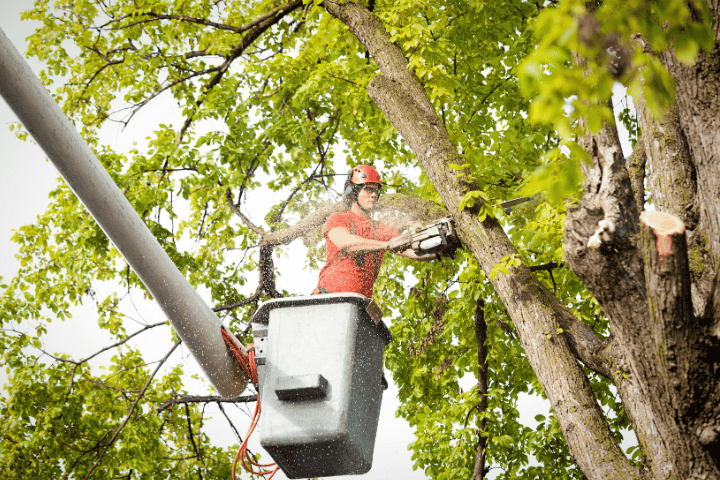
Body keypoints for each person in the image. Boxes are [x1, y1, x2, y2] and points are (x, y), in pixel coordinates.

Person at [313, 165, 436, 297]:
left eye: (376, 191)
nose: (373, 195)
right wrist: (385, 245)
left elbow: (414, 252)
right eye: (368, 189)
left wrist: (438, 248)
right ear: (353, 192)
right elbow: (346, 243)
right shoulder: (339, 218)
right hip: (327, 298)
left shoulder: (383, 230)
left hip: (358, 305)